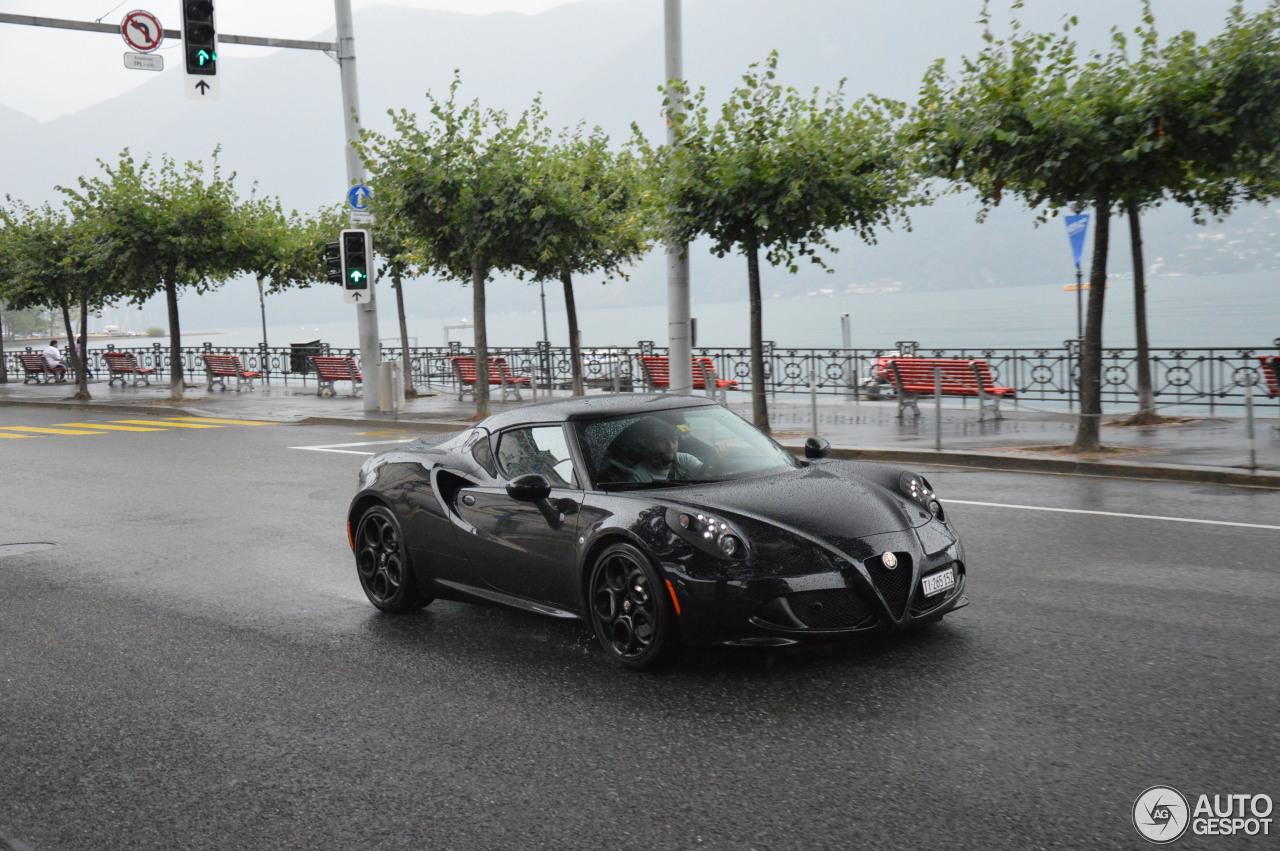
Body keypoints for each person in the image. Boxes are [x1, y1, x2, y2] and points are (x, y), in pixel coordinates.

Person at [603, 417, 708, 483]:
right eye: (663, 441)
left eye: (674, 440)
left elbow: (706, 472)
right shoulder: (639, 477)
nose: (671, 446)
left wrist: (717, 462)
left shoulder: (682, 459)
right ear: (649, 444)